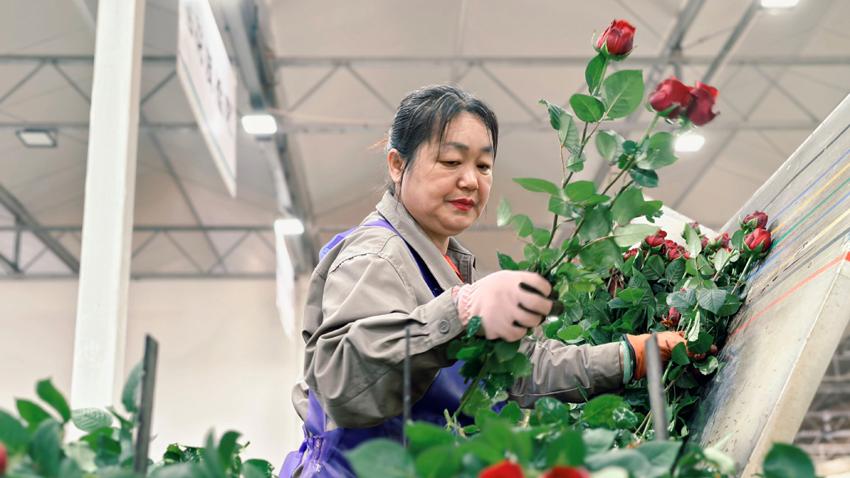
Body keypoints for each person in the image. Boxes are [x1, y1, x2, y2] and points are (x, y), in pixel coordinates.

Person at [281, 85, 688, 477]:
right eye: (451, 161)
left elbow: (521, 372)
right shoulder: (378, 254)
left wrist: (630, 355)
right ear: (397, 164)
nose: (471, 181)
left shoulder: (445, 265)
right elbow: (341, 380)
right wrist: (461, 309)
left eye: (484, 165)